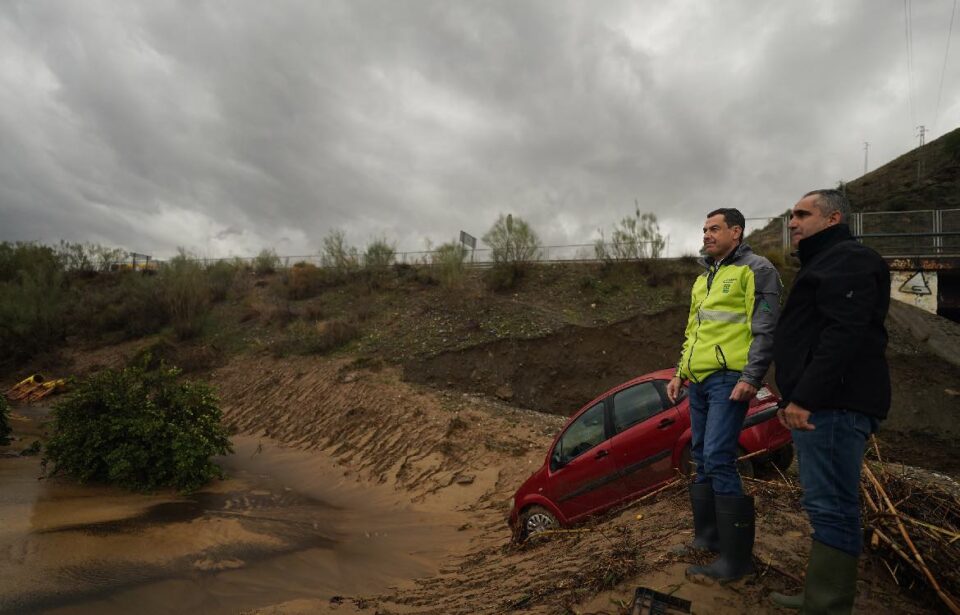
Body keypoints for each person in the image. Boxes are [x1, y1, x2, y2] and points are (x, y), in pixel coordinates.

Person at [769, 189, 890, 613]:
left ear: (833, 218)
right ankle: (819, 595)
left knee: (833, 504)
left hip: (833, 405)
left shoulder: (850, 260)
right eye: (791, 215)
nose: (792, 222)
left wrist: (804, 398)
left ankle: (827, 604)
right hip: (823, 403)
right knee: (823, 502)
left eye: (802, 214)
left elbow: (843, 335)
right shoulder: (826, 262)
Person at [666, 208, 781, 583]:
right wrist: (680, 373)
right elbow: (692, 331)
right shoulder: (704, 280)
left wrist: (752, 376)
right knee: (700, 455)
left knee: (718, 457)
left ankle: (736, 562)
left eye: (714, 229)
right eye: (703, 229)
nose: (707, 235)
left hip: (729, 379)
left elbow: (765, 327)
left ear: (736, 231)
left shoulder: (757, 269)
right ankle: (707, 537)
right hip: (698, 381)